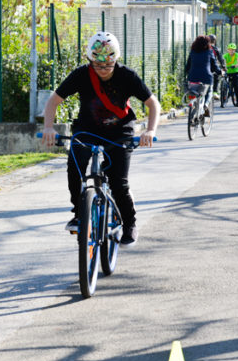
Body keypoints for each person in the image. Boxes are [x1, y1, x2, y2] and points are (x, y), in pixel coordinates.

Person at [41, 31, 160, 246]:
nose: (103, 70)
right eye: (98, 65)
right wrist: (48, 127)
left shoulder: (127, 76)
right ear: (90, 60)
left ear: (116, 60)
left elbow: (153, 104)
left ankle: (130, 223)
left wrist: (150, 130)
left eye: (108, 65)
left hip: (120, 131)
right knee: (74, 166)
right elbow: (53, 101)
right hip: (87, 129)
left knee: (118, 182)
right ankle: (79, 213)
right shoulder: (81, 75)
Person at [185, 35, 220, 110]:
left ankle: (192, 104)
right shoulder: (209, 52)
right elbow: (214, 65)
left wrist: (187, 72)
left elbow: (188, 65)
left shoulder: (192, 52)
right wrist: (219, 72)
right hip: (206, 77)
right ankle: (206, 105)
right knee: (210, 90)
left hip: (193, 77)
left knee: (193, 92)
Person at [207, 34, 227, 103]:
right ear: (214, 41)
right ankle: (215, 91)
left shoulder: (203, 47)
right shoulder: (215, 49)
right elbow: (220, 59)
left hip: (204, 67)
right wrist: (223, 67)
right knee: (216, 76)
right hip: (212, 67)